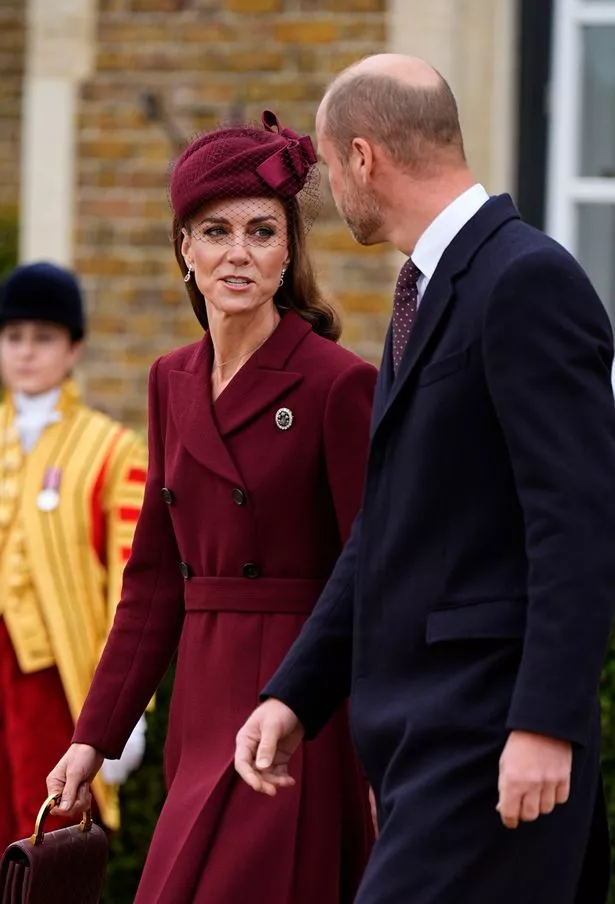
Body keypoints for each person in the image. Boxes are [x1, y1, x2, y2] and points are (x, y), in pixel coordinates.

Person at [234, 54, 615, 904]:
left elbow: (578, 521)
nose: (332, 192)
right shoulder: (428, 294)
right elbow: (384, 528)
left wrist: (544, 722)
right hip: (426, 745)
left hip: (490, 739)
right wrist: (295, 694)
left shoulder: (524, 281)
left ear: (363, 156)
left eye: (331, 168)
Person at [47, 111, 376, 904]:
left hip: (298, 703)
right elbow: (154, 579)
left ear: (288, 250)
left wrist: (381, 753)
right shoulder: (170, 380)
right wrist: (94, 737)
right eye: (215, 231)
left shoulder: (337, 383)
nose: (239, 252)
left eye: (262, 231)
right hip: (200, 700)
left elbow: (373, 574)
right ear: (184, 251)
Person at [0, 261, 147, 847]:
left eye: (44, 337)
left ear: (74, 347)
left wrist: (127, 712)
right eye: (13, 337)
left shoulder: (113, 450)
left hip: (58, 681)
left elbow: (131, 587)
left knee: (47, 839)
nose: (27, 352)